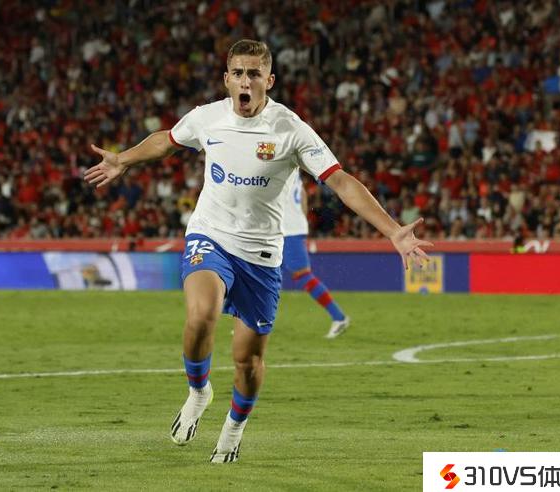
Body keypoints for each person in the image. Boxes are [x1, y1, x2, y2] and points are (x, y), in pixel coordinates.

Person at [84, 39, 431, 464]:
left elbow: (340, 181)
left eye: (254, 74)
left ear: (269, 80)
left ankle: (234, 427)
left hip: (262, 255)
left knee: (247, 362)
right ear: (226, 79)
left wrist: (393, 230)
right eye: (238, 73)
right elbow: (167, 140)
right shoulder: (207, 117)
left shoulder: (291, 129)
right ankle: (198, 391)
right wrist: (124, 159)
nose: (245, 81)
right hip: (210, 235)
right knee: (201, 314)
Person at [282, 170, 350, 338]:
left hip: (288, 230)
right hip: (287, 228)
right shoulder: (291, 169)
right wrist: (300, 220)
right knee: (262, 274)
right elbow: (303, 195)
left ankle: (339, 317)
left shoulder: (276, 167)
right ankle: (251, 322)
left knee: (303, 276)